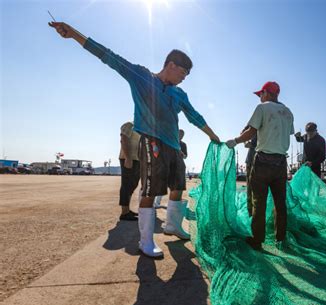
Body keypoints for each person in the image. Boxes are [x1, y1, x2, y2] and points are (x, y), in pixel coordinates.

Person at [49, 22, 220, 258]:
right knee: (149, 191)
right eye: (183, 73)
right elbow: (109, 57)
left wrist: (213, 135)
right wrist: (75, 35)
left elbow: (194, 116)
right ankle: (146, 241)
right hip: (151, 142)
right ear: (171, 65)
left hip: (173, 146)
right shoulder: (141, 76)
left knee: (178, 187)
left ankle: (172, 226)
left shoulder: (179, 94)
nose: (184, 78)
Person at [226, 81, 294, 250]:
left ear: (267, 93)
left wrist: (234, 141)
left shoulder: (262, 108)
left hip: (263, 161)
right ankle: (280, 238)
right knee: (280, 203)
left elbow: (251, 132)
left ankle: (257, 240)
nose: (259, 98)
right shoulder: (288, 112)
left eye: (260, 94)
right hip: (281, 163)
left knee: (259, 203)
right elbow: (288, 132)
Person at [153, 129, 187, 208]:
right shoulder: (169, 141)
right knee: (162, 185)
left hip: (178, 166)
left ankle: (172, 205)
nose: (180, 136)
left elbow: (185, 156)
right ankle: (156, 203)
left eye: (182, 135)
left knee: (176, 187)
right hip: (166, 165)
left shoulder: (183, 144)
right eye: (179, 134)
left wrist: (182, 154)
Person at [119, 121, 141, 221]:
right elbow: (124, 139)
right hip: (128, 158)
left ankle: (127, 209)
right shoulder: (129, 124)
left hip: (137, 159)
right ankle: (124, 212)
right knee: (126, 184)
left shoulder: (142, 127)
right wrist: (128, 157)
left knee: (133, 184)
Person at [243, 126, 257, 216]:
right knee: (250, 187)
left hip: (264, 161)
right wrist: (245, 142)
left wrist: (252, 145)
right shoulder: (252, 124)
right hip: (251, 160)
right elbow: (243, 133)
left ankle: (257, 212)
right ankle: (250, 212)